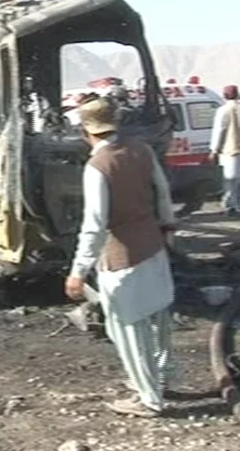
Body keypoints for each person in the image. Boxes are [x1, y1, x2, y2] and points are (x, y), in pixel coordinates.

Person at [64, 97, 177, 418]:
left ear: (87, 131)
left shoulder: (97, 167)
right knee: (158, 321)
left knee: (129, 331)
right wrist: (168, 231)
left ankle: (150, 399)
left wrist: (77, 271)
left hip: (121, 258)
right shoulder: (142, 150)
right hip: (153, 247)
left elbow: (94, 224)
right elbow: (162, 192)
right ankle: (161, 378)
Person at [209, 86, 240, 216]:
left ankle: (231, 206)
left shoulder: (222, 111)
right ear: (237, 95)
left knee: (230, 180)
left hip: (228, 151)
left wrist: (214, 150)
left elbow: (220, 131)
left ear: (225, 95)